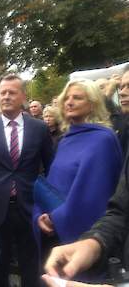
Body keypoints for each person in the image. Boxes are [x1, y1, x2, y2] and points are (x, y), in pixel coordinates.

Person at [0, 74, 53, 287]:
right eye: (2, 92)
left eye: (11, 92)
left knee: (31, 266)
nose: (6, 96)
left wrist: (50, 208)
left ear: (23, 96)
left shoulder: (39, 128)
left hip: (31, 208)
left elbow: (51, 168)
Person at [34, 79, 122, 268]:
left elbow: (92, 196)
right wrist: (39, 214)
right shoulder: (65, 139)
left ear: (92, 104)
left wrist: (55, 219)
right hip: (54, 227)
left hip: (80, 235)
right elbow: (54, 183)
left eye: (77, 98)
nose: (69, 102)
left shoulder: (103, 139)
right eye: (67, 98)